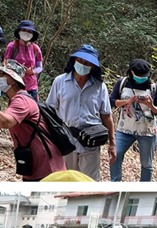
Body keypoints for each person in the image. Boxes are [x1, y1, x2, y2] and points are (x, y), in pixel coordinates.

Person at [0, 59, 66, 180]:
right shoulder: (16, 99)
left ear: (13, 79)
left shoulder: (21, 101)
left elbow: (5, 122)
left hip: (46, 168)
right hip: (34, 163)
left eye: (2, 74)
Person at [46, 45, 116, 180]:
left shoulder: (99, 87)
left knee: (89, 181)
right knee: (67, 178)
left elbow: (106, 116)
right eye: (80, 60)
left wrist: (112, 143)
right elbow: (50, 111)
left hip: (91, 141)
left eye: (87, 63)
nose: (83, 65)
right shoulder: (60, 81)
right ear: (75, 60)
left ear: (93, 67)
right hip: (66, 140)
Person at [109, 59, 157, 182]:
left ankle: (144, 189)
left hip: (147, 131)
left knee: (146, 163)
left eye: (144, 76)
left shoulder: (154, 88)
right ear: (131, 72)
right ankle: (115, 184)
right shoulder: (122, 83)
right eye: (139, 76)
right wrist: (127, 102)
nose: (141, 78)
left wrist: (151, 105)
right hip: (125, 128)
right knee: (116, 155)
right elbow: (112, 101)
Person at [4, 21, 43, 100]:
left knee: (34, 109)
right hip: (16, 85)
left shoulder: (36, 48)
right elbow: (6, 63)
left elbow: (40, 66)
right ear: (19, 31)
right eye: (24, 30)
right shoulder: (12, 46)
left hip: (32, 86)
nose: (26, 33)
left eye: (29, 31)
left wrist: (34, 71)